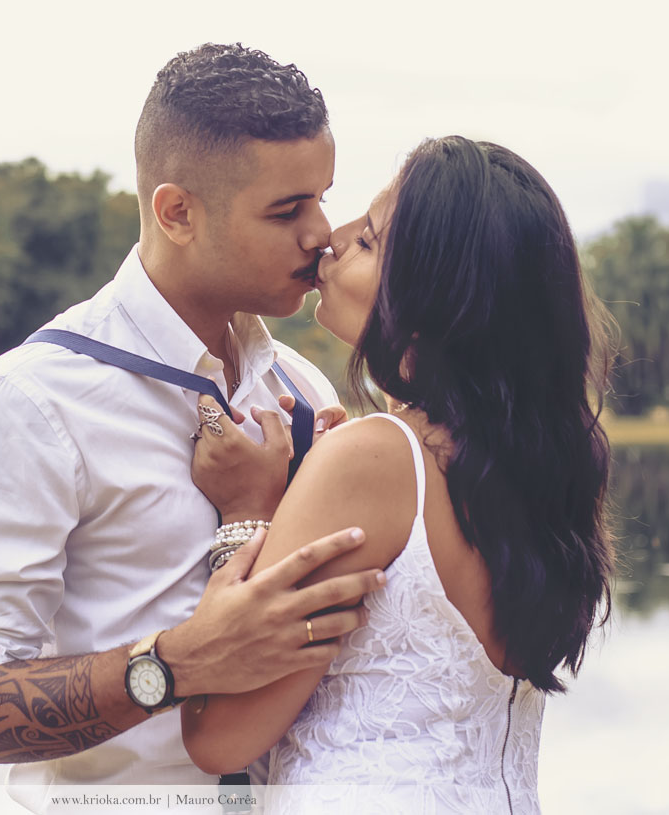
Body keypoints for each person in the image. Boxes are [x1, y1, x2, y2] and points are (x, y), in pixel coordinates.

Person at [0, 43, 386, 807]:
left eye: (322, 198)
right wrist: (177, 664)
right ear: (177, 212)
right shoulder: (35, 399)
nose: (321, 234)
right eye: (286, 210)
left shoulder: (300, 386)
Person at [182, 136, 616, 813]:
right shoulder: (537, 471)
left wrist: (247, 513)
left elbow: (218, 736)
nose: (331, 236)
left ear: (434, 304)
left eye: (369, 241)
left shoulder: (372, 458)